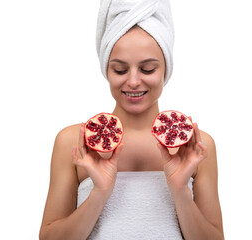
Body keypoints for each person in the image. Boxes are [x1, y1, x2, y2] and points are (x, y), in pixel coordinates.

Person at [39, 0, 224, 239]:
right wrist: (100, 193)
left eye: (147, 69)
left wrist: (179, 190)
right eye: (119, 70)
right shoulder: (73, 142)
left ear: (166, 69)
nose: (134, 81)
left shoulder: (197, 146)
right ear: (106, 69)